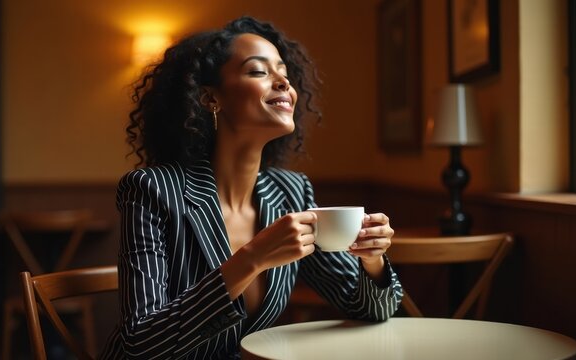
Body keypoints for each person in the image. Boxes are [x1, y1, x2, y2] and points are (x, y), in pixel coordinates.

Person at [99, 16, 403, 359]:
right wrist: (252, 258)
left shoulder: (291, 193)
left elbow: (373, 311)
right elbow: (141, 343)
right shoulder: (152, 190)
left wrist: (372, 260)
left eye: (285, 74)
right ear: (210, 98)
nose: (283, 84)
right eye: (259, 71)